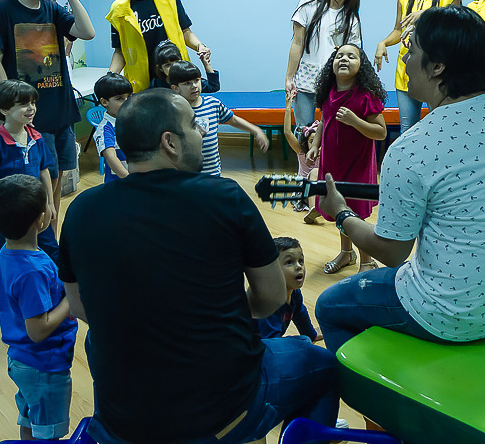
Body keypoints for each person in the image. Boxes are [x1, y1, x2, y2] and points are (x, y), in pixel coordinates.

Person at [57, 89, 338, 444]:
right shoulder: (224, 197)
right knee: (321, 365)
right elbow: (271, 297)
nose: (203, 130)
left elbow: (79, 307)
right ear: (170, 143)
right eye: (193, 124)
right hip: (222, 413)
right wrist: (215, 314)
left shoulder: (81, 210)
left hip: (122, 423)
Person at [315, 6, 485, 354]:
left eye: (411, 49)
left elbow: (392, 252)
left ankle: (375, 385)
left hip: (449, 313)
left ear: (437, 67)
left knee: (329, 305)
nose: (405, 59)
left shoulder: (410, 148)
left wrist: (342, 213)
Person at [0, 0, 96, 222]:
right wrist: (10, 105)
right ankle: (37, 236)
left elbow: (87, 32)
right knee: (40, 184)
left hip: (61, 110)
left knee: (56, 180)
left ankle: (50, 237)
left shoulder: (53, 9)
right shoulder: (2, 11)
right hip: (31, 114)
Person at [0, 174, 78, 441]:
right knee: (48, 432)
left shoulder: (8, 253)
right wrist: (72, 298)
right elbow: (38, 330)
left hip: (23, 360)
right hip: (43, 364)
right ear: (41, 220)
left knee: (30, 418)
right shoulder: (31, 271)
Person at [305, 45, 387, 274]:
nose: (344, 59)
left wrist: (355, 121)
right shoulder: (329, 92)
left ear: (362, 66)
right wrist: (315, 145)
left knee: (356, 212)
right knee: (339, 206)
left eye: (351, 56)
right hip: (333, 163)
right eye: (339, 56)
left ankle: (367, 260)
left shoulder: (366, 96)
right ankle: (346, 253)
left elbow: (381, 132)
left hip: (358, 165)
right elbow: (324, 121)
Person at [374, 0, 462, 131]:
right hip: (407, 68)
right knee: (407, 129)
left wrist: (427, 14)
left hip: (437, 71)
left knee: (440, 128)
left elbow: (454, 31)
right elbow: (398, 31)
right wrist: (383, 43)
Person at [106, 0, 210, 93]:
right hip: (143, 81)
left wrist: (200, 46)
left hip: (175, 75)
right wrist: (110, 77)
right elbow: (120, 51)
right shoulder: (119, 8)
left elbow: (185, 31)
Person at [0, 80, 59, 263]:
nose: (31, 108)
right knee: (9, 255)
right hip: (9, 212)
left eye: (33, 103)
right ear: (4, 110)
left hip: (36, 207)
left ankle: (57, 280)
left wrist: (49, 203)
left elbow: (44, 171)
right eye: (23, 104)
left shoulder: (37, 138)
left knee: (51, 249)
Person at [285, 0, 363, 128]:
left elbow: (355, 55)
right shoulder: (309, 3)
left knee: (331, 130)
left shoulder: (351, 19)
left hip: (335, 82)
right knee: (303, 131)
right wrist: (289, 78)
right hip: (305, 79)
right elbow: (297, 43)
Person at [169, 61, 269, 176]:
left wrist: (256, 130)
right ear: (176, 88)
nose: (194, 86)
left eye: (197, 80)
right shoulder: (173, 110)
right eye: (187, 83)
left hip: (213, 172)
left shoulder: (213, 103)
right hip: (186, 175)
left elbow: (233, 120)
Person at [255, 237, 321, 342]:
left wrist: (311, 335)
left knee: (304, 341)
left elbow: (300, 315)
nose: (299, 266)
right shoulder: (267, 302)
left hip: (267, 343)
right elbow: (272, 343)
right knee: (303, 342)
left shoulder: (294, 293)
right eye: (289, 262)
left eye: (301, 261)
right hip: (249, 348)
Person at [92, 72, 133, 182]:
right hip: (119, 182)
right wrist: (129, 179)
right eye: (119, 98)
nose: (127, 102)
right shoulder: (105, 128)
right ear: (104, 102)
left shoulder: (134, 119)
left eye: (129, 97)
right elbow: (111, 156)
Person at [283, 92, 319, 212]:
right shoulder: (302, 152)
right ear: (306, 142)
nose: (315, 145)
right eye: (311, 141)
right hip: (304, 190)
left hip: (321, 188)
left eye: (318, 142)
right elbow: (287, 132)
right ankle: (312, 209)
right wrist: (288, 106)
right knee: (314, 172)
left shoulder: (326, 153)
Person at [152, 40, 220, 92]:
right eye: (168, 65)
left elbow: (213, 87)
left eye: (176, 62)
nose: (173, 66)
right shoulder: (157, 83)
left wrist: (207, 65)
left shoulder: (189, 77)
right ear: (160, 68)